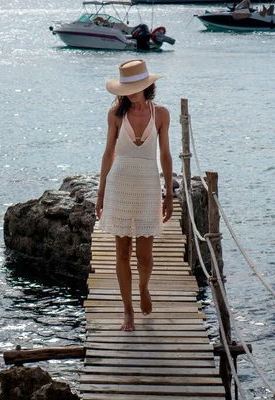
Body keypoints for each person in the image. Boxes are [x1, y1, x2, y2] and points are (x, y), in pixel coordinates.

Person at [95, 59, 173, 331]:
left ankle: (143, 287)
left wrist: (169, 194)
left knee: (145, 256)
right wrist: (101, 192)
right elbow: (109, 153)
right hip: (120, 182)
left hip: (148, 183)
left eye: (136, 87)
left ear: (147, 86)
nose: (132, 93)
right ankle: (127, 310)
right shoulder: (115, 114)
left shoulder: (161, 114)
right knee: (122, 253)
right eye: (127, 88)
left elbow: (164, 154)